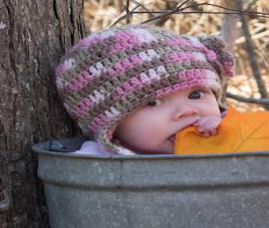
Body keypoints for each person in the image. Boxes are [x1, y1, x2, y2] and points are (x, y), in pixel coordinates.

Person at [55, 24, 234, 155]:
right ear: (111, 127)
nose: (187, 111)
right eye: (153, 102)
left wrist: (228, 137)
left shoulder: (238, 135)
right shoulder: (95, 161)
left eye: (195, 95)